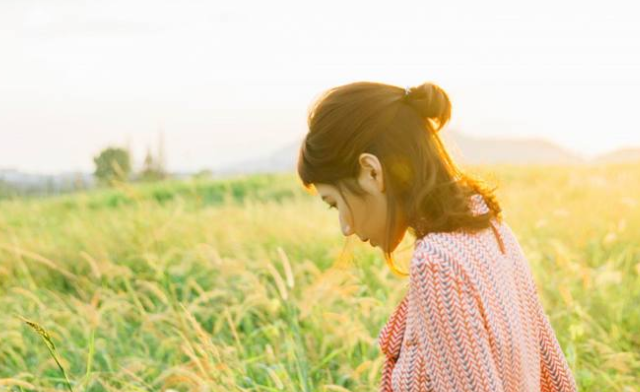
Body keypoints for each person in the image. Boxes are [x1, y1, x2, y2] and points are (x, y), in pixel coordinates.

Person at [296, 81, 579, 391]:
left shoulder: (438, 264)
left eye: (335, 203)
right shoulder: (491, 228)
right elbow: (552, 368)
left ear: (371, 172)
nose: (345, 228)